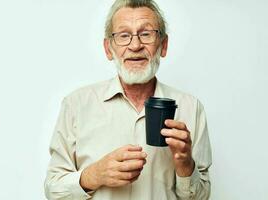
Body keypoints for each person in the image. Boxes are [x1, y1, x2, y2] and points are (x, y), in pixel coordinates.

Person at [44, 0, 212, 199]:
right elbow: (52, 189)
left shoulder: (191, 108)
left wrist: (185, 164)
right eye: (124, 35)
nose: (135, 45)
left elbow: (201, 197)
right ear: (108, 48)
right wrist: (93, 175)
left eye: (146, 34)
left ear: (163, 45)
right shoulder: (76, 104)